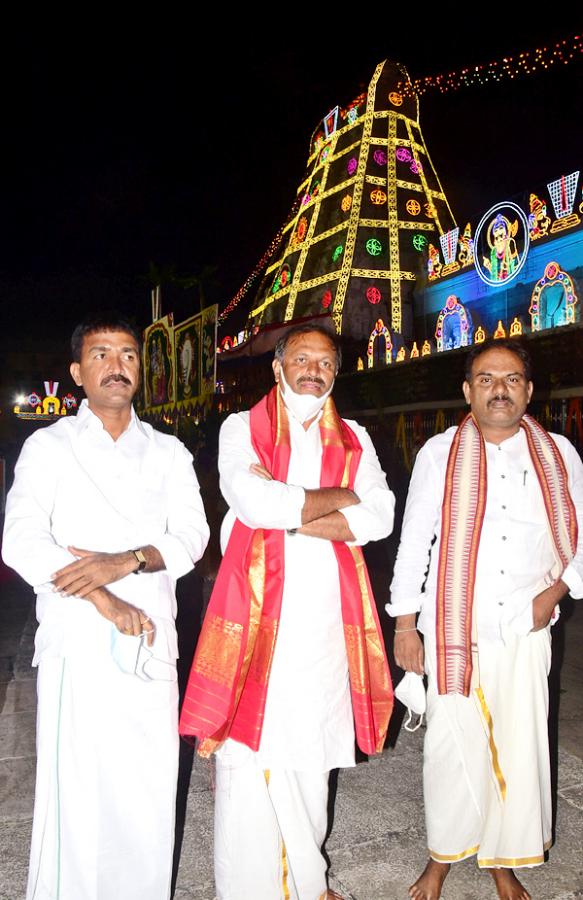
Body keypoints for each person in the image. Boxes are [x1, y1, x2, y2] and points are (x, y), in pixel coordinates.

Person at [179, 323, 395, 900]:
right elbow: (251, 501)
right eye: (301, 359)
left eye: (324, 363)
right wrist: (342, 501)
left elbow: (381, 517)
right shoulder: (240, 429)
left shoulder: (354, 438)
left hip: (324, 622)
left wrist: (286, 508)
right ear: (278, 367)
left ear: (335, 372)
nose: (312, 370)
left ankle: (307, 880)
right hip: (252, 620)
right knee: (249, 759)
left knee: (309, 753)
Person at [2, 313, 209, 900]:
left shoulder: (168, 452)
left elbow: (191, 537)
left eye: (127, 355)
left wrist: (125, 562)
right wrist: (101, 595)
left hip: (151, 640)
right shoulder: (49, 446)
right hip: (79, 643)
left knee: (147, 786)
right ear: (76, 372)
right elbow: (21, 540)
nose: (116, 366)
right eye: (100, 355)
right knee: (81, 795)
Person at [388, 338, 583, 900]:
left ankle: (503, 862)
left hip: (527, 622)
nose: (500, 389)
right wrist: (405, 623)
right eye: (487, 379)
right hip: (453, 626)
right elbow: (416, 539)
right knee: (450, 747)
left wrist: (557, 593)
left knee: (521, 748)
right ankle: (441, 859)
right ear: (467, 390)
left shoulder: (559, 453)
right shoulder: (438, 451)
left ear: (528, 388)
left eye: (512, 378)